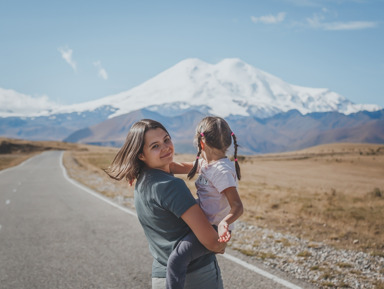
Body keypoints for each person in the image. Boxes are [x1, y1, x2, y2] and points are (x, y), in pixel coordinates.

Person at [105, 119, 226, 289]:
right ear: (141, 155)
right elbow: (212, 242)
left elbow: (175, 166)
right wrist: (222, 240)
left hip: (162, 277)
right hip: (195, 278)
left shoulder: (143, 179)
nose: (165, 147)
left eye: (166, 140)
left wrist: (207, 165)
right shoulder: (171, 186)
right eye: (155, 146)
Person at [167, 116, 243, 289]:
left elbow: (238, 206)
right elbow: (174, 167)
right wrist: (142, 169)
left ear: (201, 143)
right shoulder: (206, 163)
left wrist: (225, 223)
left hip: (214, 227)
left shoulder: (221, 171)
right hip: (203, 218)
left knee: (176, 260)